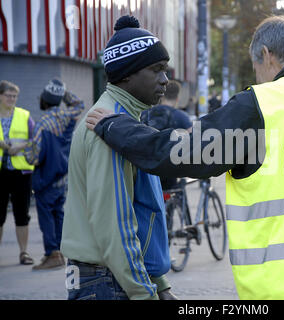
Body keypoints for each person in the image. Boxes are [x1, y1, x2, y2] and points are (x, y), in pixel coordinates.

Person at [86, 15, 284, 300]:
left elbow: (182, 154)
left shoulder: (263, 106)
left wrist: (115, 126)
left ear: (267, 56)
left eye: (257, 70)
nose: (260, 79)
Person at [60, 15, 177, 300]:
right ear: (127, 73)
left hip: (110, 277)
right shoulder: (107, 127)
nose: (166, 80)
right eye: (157, 69)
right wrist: (145, 293)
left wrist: (160, 285)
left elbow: (136, 214)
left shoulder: (121, 122)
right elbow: (116, 225)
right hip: (108, 281)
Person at [23, 79, 84, 271]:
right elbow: (79, 104)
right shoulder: (68, 116)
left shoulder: (42, 124)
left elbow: (33, 157)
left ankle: (51, 254)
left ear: (44, 100)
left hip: (46, 179)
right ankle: (60, 250)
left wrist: (24, 150)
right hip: (63, 176)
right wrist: (63, 92)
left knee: (46, 217)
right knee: (59, 214)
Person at [0, 80, 35, 266]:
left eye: (14, 96)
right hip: (1, 172)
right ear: (0, 96)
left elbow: (34, 140)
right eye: (8, 95)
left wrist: (19, 146)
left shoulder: (25, 115)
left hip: (21, 173)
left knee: (22, 214)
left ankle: (24, 253)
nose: (12, 99)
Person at [141, 80, 192, 190]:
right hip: (170, 170)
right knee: (177, 192)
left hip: (146, 168)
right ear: (177, 98)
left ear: (161, 97)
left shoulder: (145, 114)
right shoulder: (181, 117)